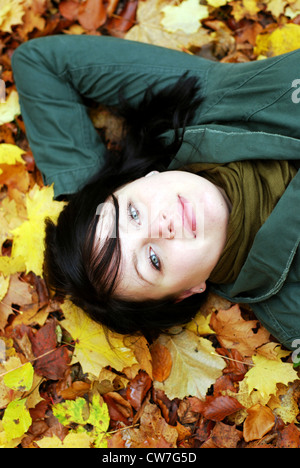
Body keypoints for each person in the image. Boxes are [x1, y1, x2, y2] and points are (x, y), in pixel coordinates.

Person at [11, 35, 299, 349]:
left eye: (133, 212)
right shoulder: (292, 314)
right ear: (186, 292)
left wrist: (85, 199)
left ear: (143, 179)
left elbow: (39, 63)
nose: (161, 225)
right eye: (153, 260)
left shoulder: (208, 103)